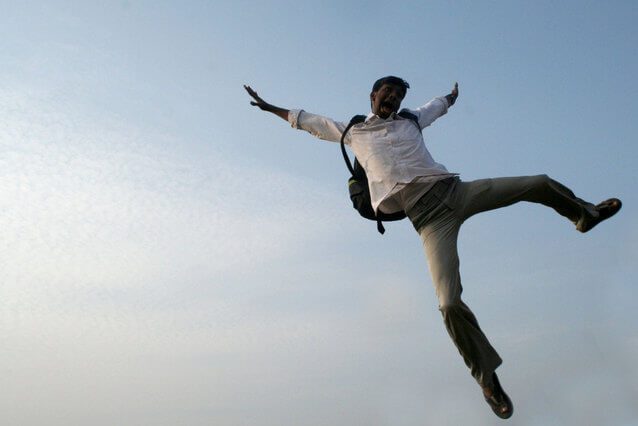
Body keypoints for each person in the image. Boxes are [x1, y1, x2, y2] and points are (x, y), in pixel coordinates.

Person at [244, 77, 621, 419]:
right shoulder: (353, 131)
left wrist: (451, 97)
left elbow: (434, 108)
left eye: (399, 94)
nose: (392, 97)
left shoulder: (411, 120)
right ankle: (486, 377)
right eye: (387, 92)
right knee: (449, 303)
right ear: (373, 96)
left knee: (537, 182)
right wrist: (269, 107)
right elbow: (308, 121)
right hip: (429, 221)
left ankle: (584, 215)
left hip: (457, 192)